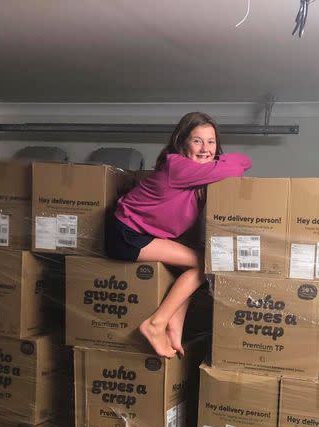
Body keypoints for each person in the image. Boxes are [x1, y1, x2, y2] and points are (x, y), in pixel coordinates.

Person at [105, 112, 252, 358]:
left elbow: (244, 160)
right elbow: (238, 167)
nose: (205, 149)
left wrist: (218, 160)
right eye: (197, 141)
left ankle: (174, 326)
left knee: (194, 265)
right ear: (182, 142)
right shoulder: (178, 167)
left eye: (211, 142)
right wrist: (221, 162)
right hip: (125, 234)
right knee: (203, 262)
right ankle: (155, 324)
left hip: (144, 233)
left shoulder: (198, 173)